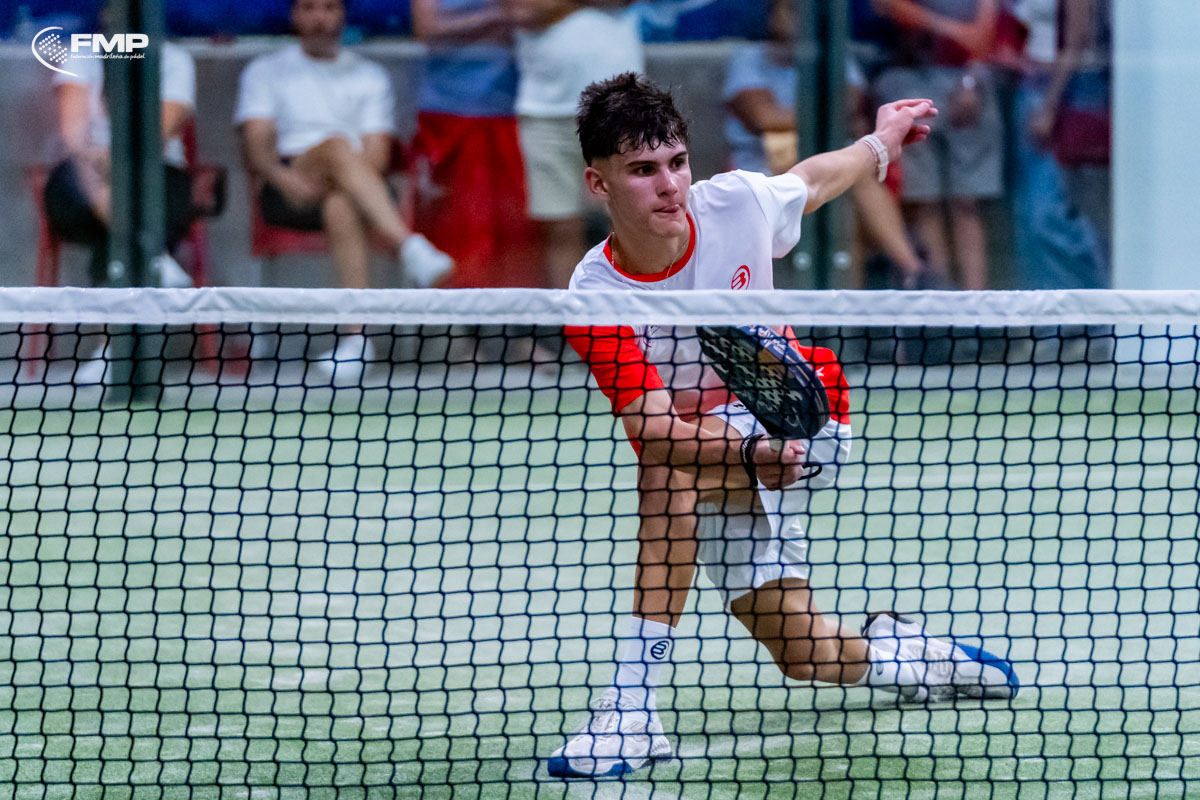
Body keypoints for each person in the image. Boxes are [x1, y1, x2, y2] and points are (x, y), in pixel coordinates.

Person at [551, 73, 1019, 780]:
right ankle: (912, 655)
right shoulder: (594, 297)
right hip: (727, 448)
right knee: (803, 652)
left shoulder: (734, 203)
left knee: (665, 475)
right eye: (643, 171)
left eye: (677, 162)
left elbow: (812, 181)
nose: (670, 186)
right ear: (599, 184)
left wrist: (878, 144)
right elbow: (653, 427)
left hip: (806, 416)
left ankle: (632, 712)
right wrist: (747, 455)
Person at [234, 0, 453, 379]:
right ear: (295, 15)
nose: (319, 18)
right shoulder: (265, 71)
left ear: (342, 15)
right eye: (309, 8)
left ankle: (356, 341)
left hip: (356, 186)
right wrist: (286, 179)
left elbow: (377, 156)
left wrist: (340, 175)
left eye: (328, 8)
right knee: (336, 146)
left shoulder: (370, 76)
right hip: (288, 185)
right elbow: (257, 146)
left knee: (341, 203)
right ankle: (408, 246)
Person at [723, 0, 928, 289]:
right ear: (771, 12)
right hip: (763, 166)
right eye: (789, 8)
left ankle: (912, 274)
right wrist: (823, 109)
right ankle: (913, 270)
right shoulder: (750, 57)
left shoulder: (831, 52)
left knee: (855, 185)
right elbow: (763, 117)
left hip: (828, 159)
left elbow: (849, 103)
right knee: (841, 184)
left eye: (802, 8)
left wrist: (792, 116)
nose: (798, 16)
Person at [45, 29, 196, 292]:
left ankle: (114, 277)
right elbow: (74, 134)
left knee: (135, 193)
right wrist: (98, 166)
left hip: (152, 172)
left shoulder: (174, 59)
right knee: (85, 180)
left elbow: (158, 132)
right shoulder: (82, 54)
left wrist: (117, 160)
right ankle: (154, 255)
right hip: (86, 176)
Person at [870, 0, 1007, 290]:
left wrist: (970, 81)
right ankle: (937, 297)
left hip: (968, 85)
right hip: (908, 79)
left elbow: (984, 35)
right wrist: (954, 31)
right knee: (925, 202)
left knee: (967, 203)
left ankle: (975, 305)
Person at [510, 0, 644, 289]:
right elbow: (523, 9)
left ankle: (629, 314)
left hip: (619, 106)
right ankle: (571, 316)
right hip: (544, 112)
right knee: (561, 228)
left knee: (628, 222)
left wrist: (556, 7)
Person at [409, 0, 539, 290]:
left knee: (511, 233)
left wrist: (467, 27)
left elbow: (528, 14)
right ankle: (452, 313)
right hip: (445, 118)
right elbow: (427, 29)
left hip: (508, 113)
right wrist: (495, 18)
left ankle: (512, 316)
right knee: (453, 233)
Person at [1008, 0, 1107, 290]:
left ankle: (1098, 296)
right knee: (1030, 214)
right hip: (1030, 86)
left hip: (1064, 93)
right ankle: (1049, 304)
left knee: (1049, 214)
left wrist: (1049, 106)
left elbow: (1078, 40)